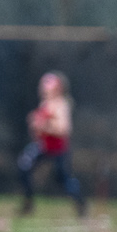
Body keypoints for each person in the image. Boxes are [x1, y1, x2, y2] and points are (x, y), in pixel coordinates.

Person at [18, 70, 86, 216]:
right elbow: (38, 132)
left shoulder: (61, 105)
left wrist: (44, 126)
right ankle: (28, 203)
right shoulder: (44, 104)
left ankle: (81, 204)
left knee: (63, 179)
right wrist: (35, 125)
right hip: (44, 146)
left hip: (58, 148)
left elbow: (63, 129)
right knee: (24, 166)